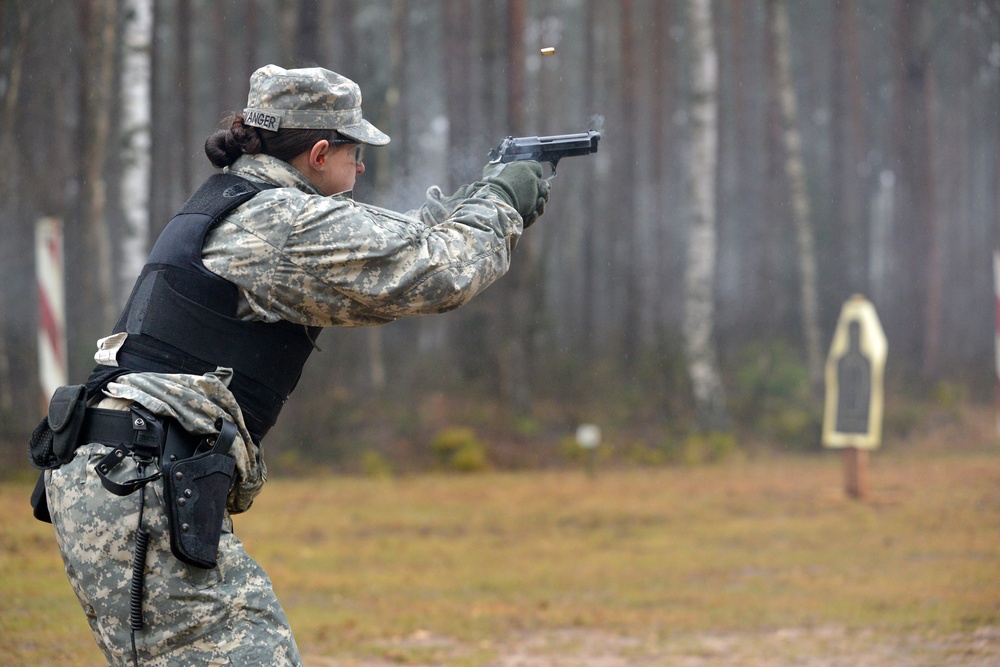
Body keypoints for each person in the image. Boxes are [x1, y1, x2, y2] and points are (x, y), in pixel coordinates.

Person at [30, 64, 550, 666]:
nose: (361, 170)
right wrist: (501, 202)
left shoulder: (248, 204)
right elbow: (436, 273)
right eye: (355, 154)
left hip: (129, 476)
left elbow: (389, 245)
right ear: (320, 151)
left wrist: (472, 209)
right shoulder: (280, 222)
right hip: (141, 484)